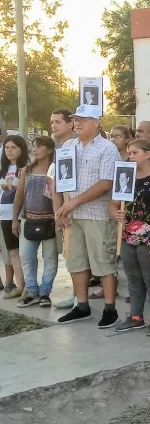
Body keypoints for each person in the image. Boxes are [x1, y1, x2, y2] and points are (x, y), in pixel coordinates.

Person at [53, 105, 121, 327]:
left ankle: (110, 309)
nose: (78, 123)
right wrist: (63, 208)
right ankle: (81, 306)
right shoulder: (67, 146)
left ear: (97, 122)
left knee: (104, 261)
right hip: (72, 215)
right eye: (75, 119)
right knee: (76, 261)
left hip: (98, 214)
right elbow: (62, 181)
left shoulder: (107, 148)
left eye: (83, 119)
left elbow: (105, 183)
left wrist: (73, 202)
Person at [110, 139, 150, 336]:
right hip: (127, 235)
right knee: (133, 278)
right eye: (129, 153)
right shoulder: (126, 176)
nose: (130, 156)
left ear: (147, 154)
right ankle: (136, 317)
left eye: (134, 153)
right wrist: (115, 214)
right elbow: (113, 203)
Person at [12, 136, 57, 308]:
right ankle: (31, 291)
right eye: (33, 146)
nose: (35, 149)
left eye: (39, 146)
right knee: (26, 257)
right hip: (28, 220)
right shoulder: (27, 171)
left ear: (49, 149)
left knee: (50, 258)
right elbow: (19, 196)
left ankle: (45, 292)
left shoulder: (56, 171)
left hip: (50, 221)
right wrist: (15, 220)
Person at [49, 109, 76, 310]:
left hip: (80, 208)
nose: (54, 125)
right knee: (71, 256)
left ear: (70, 124)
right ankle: (76, 295)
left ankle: (79, 297)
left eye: (58, 121)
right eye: (52, 122)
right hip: (66, 210)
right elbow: (55, 184)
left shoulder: (76, 146)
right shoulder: (59, 149)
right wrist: (58, 211)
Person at [1, 135, 29, 300]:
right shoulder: (2, 169)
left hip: (21, 215)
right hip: (4, 215)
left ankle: (30, 287)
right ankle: (20, 286)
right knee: (13, 252)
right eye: (7, 148)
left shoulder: (26, 168)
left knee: (25, 253)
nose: (9, 151)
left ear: (21, 149)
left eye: (13, 147)